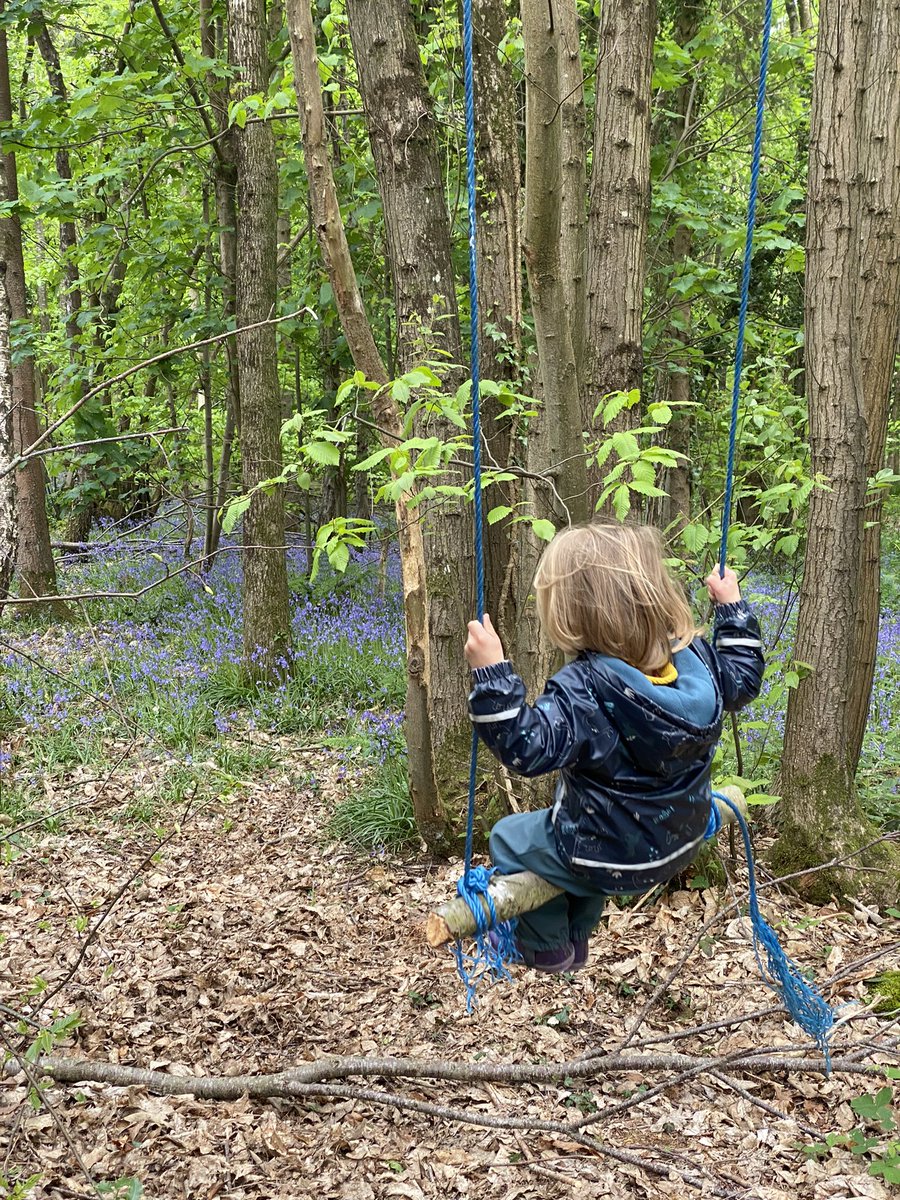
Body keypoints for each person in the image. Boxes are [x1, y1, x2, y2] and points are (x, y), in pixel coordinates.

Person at [464, 521, 764, 974]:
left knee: (511, 837)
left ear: (573, 614)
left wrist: (492, 675)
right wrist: (732, 609)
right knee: (590, 832)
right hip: (679, 841)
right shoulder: (698, 662)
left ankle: (547, 945)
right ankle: (578, 938)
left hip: (607, 852)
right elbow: (744, 675)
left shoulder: (584, 688)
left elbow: (527, 747)